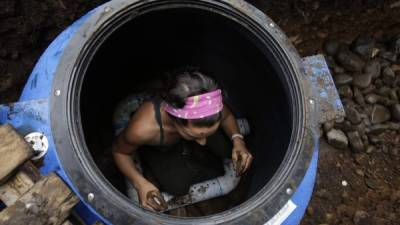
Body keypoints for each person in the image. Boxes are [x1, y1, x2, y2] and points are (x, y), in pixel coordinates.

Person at [112, 68, 253, 212]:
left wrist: (238, 140)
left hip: (180, 135)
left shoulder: (209, 103)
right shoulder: (143, 129)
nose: (203, 142)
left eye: (207, 133)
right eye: (196, 136)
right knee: (178, 186)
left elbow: (228, 116)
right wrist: (140, 183)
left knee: (228, 148)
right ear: (175, 119)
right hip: (162, 146)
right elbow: (119, 152)